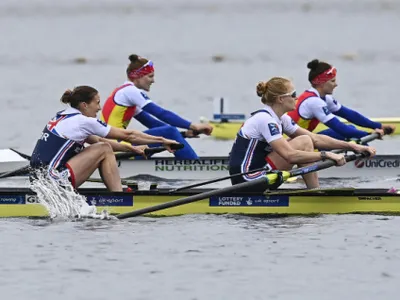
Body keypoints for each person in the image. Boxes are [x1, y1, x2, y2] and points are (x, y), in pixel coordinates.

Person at [229, 77, 377, 190]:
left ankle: (314, 192)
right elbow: (290, 156)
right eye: (293, 94)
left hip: (260, 173)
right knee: (303, 141)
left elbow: (316, 139)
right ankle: (314, 192)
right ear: (281, 99)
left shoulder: (281, 118)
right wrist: (326, 155)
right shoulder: (265, 120)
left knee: (306, 140)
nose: (297, 97)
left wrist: (353, 146)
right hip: (248, 180)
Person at [30, 86, 180, 191]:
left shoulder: (62, 116)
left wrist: (132, 149)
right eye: (97, 102)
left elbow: (98, 141)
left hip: (38, 179)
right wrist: (162, 140)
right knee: (104, 150)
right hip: (55, 181)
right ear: (84, 105)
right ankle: (118, 197)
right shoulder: (84, 121)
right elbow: (129, 135)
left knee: (103, 147)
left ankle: (117, 192)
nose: (99, 108)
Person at [100, 54, 213, 160]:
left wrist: (183, 134)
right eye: (150, 76)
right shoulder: (130, 91)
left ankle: (191, 164)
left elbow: (152, 123)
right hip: (118, 149)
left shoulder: (124, 94)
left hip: (115, 146)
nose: (153, 81)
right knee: (169, 130)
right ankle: (195, 166)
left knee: (169, 131)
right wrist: (193, 126)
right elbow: (161, 113)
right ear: (137, 76)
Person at [287, 59, 395, 141]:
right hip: (290, 142)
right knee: (347, 132)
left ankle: (361, 157)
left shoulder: (324, 98)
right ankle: (361, 161)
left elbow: (351, 115)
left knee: (351, 129)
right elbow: (339, 127)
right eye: (332, 81)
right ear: (321, 83)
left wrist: (379, 126)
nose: (336, 84)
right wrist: (368, 136)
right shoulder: (314, 102)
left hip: (302, 139)